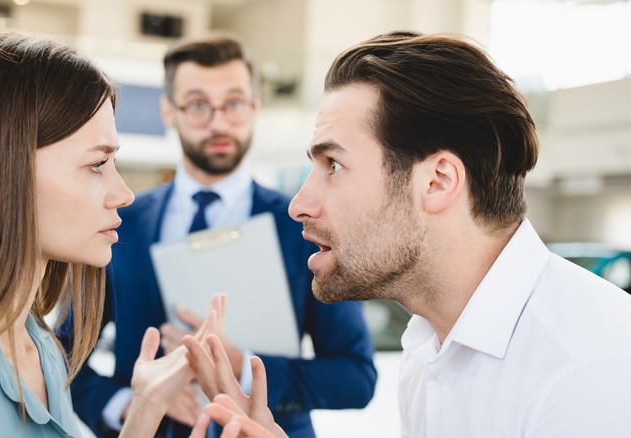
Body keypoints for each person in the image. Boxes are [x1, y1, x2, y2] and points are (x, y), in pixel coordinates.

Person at [184, 30, 631, 437]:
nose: (298, 204)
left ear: (437, 182)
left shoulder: (586, 370)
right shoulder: (426, 350)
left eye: (333, 165)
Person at [0, 31, 227, 438]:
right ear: (1, 173)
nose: (124, 194)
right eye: (98, 164)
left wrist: (146, 406)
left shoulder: (36, 343)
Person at [62, 31, 377, 438]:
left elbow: (355, 376)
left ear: (254, 107)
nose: (218, 122)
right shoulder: (121, 220)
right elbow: (61, 351)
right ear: (168, 111)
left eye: (233, 104)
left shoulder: (304, 223)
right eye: (197, 105)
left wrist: (242, 366)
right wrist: (129, 404)